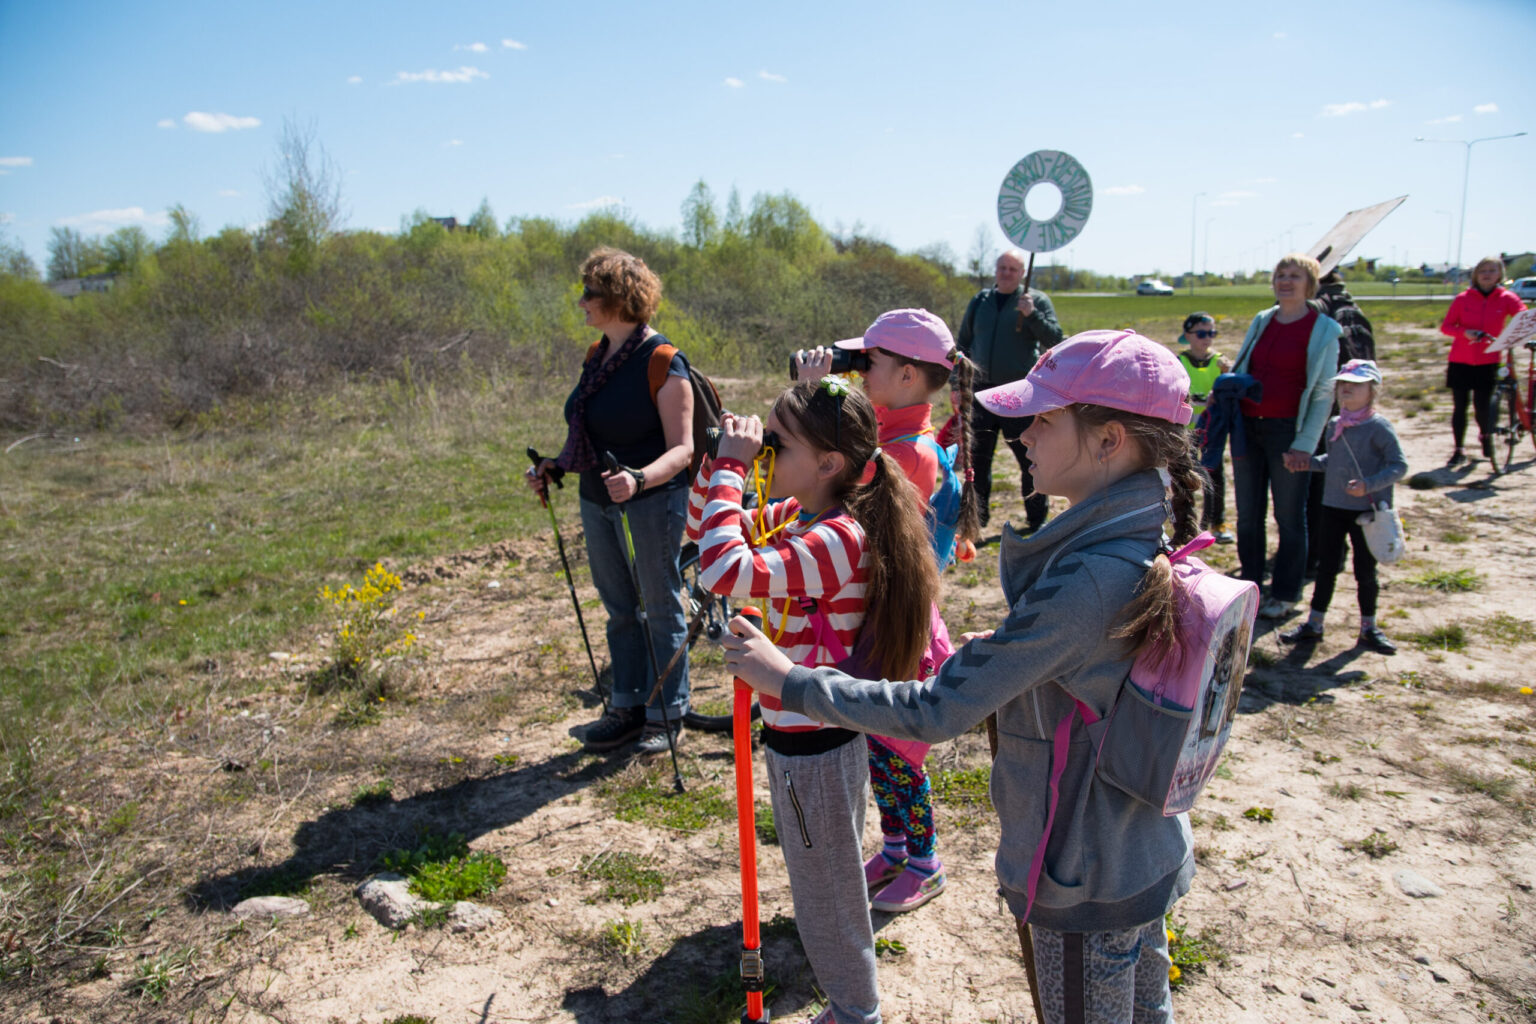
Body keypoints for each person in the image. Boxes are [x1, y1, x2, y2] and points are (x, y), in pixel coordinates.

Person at [723, 329, 1200, 1024]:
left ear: (1109, 441)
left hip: (1086, 875)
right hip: (1138, 853)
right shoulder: (1134, 532)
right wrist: (1030, 658)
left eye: (1043, 420)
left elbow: (939, 711)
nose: (1023, 436)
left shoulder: (1090, 577)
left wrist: (790, 679)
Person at [687, 377, 940, 1024]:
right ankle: (856, 1005)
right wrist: (719, 468)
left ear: (829, 464)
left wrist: (734, 468)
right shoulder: (797, 514)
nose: (764, 455)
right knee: (823, 883)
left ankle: (857, 1012)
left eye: (777, 444)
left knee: (826, 895)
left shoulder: (837, 539)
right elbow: (705, 536)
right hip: (797, 735)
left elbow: (722, 571)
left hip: (817, 748)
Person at [795, 308, 980, 914]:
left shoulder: (909, 454)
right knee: (876, 743)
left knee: (898, 750)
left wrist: (814, 401)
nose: (855, 371)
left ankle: (925, 863)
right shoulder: (892, 438)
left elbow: (850, 519)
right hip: (882, 618)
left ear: (905, 375)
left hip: (898, 628)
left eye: (865, 362)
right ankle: (898, 847)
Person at [525, 247, 694, 755]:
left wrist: (640, 480)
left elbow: (683, 449)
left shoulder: (664, 361)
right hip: (597, 499)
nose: (582, 302)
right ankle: (627, 706)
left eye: (590, 293)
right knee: (620, 608)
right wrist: (553, 466)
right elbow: (589, 430)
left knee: (661, 606)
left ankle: (668, 712)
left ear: (619, 299)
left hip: (652, 501)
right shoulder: (596, 357)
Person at [1230, 254, 1342, 619]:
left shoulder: (1324, 329)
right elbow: (1243, 365)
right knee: (1248, 516)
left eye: (1295, 276)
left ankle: (1286, 592)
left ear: (1310, 284)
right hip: (1248, 427)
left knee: (1290, 517)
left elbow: (1324, 394)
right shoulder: (1263, 319)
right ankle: (1249, 586)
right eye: (1280, 275)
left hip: (1288, 433)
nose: (1286, 281)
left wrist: (1305, 446)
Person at [1281, 360, 1407, 655]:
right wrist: (1307, 464)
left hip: (1367, 513)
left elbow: (1399, 466)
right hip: (1333, 507)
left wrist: (1369, 484)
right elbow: (1332, 462)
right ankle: (1314, 624)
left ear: (1373, 390)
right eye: (1342, 384)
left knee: (1365, 570)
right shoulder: (1335, 425)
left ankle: (1369, 628)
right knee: (1326, 567)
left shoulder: (1379, 427)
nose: (1346, 389)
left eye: (1356, 384)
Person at [956, 247, 1065, 532]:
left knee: (1031, 458)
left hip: (1019, 395)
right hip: (980, 394)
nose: (1006, 273)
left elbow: (1055, 339)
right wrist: (958, 383)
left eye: (1012, 269)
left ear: (1022, 273)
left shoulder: (1036, 301)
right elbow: (963, 344)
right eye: (1002, 268)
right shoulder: (981, 301)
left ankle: (1036, 520)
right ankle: (977, 522)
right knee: (977, 462)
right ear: (996, 270)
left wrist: (1031, 315)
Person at [1439, 256, 1528, 465]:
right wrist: (1464, 333)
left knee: (1483, 406)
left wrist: (1516, 335)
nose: (1487, 275)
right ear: (1476, 275)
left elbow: (1523, 317)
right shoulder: (1462, 299)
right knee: (1460, 406)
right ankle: (1458, 449)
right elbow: (1447, 327)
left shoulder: (1507, 298)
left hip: (1489, 360)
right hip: (1461, 360)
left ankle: (1486, 437)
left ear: (1500, 275)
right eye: (1483, 271)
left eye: (1492, 271)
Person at [1176, 311, 1233, 543]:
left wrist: (1227, 375)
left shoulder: (1221, 362)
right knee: (1184, 475)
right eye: (1201, 333)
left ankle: (1215, 521)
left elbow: (1230, 392)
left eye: (1211, 333)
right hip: (1186, 430)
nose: (1206, 338)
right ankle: (1185, 524)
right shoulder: (1180, 362)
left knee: (1215, 474)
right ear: (1188, 335)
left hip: (1213, 429)